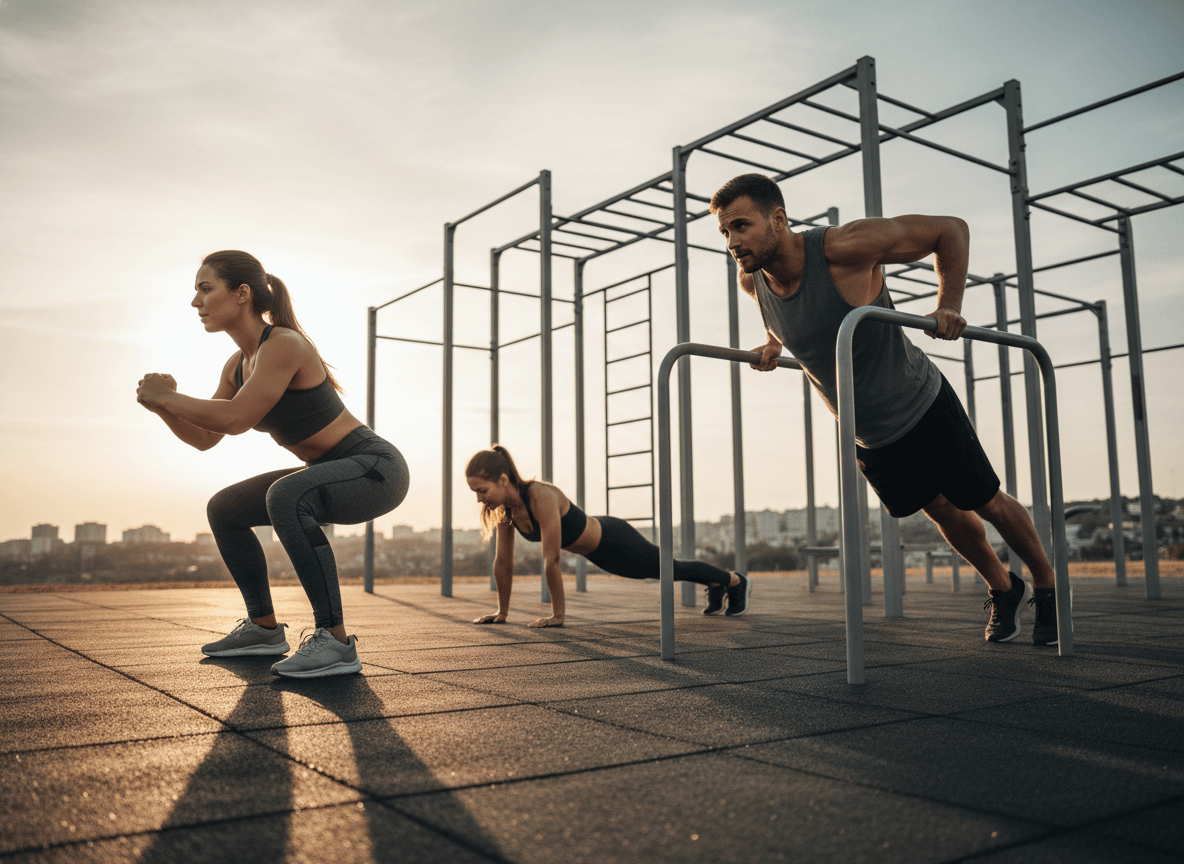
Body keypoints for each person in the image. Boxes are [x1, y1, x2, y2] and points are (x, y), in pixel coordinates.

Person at [711, 173, 1060, 646]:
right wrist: (773, 343)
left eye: (740, 226)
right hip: (867, 432)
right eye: (725, 232)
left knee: (983, 499)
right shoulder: (751, 280)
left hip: (920, 400)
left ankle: (1049, 585)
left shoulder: (843, 247)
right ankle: (1003, 586)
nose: (732, 241)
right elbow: (788, 321)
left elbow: (950, 230)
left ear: (778, 218)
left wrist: (948, 305)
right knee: (938, 508)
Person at [136, 250, 409, 677]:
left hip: (374, 468)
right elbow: (207, 438)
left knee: (285, 494)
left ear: (241, 293)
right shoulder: (236, 365)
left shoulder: (283, 344)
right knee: (224, 508)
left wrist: (167, 396)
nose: (196, 302)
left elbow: (235, 419)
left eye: (205, 289)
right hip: (325, 471)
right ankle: (263, 628)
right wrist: (161, 408)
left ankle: (336, 643)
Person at [464, 445, 750, 626]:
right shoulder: (505, 511)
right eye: (475, 492)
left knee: (669, 569)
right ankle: (716, 582)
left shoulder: (541, 496)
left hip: (614, 538)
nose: (479, 499)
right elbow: (503, 563)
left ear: (502, 480)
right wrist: (502, 613)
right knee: (663, 571)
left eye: (482, 491)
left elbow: (551, 559)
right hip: (598, 554)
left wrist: (558, 616)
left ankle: (734, 580)